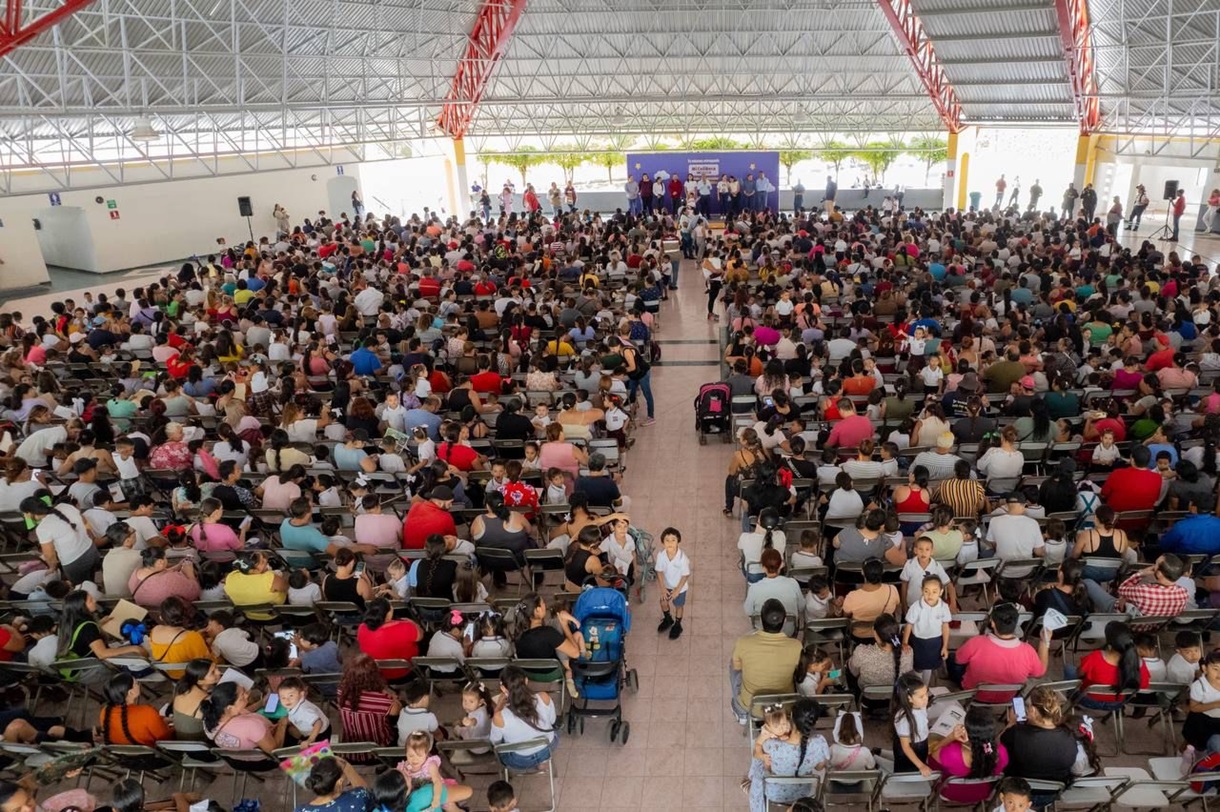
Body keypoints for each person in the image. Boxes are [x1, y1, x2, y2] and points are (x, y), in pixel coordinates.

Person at [952, 603, 1050, 701]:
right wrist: (1044, 641)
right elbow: (1040, 673)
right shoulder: (1028, 651)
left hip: (973, 694)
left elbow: (958, 660)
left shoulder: (976, 642)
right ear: (1016, 624)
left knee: (953, 659)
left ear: (993, 623)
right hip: (1007, 698)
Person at [730, 598, 802, 723]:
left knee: (732, 667)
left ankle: (741, 712)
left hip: (752, 705)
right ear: (785, 621)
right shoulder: (797, 646)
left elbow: (737, 668)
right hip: (783, 706)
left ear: (760, 621)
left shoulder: (743, 642)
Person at [930, 705, 1009, 804]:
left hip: (950, 793)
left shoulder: (953, 753)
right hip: (984, 793)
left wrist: (951, 737)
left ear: (966, 731)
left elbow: (932, 758)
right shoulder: (1001, 752)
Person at [489, 665, 558, 770]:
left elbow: (495, 742)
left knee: (501, 744)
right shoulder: (543, 697)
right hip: (548, 748)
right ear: (526, 681)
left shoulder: (499, 716)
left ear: (503, 688)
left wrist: (498, 707)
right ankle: (542, 762)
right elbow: (552, 720)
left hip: (520, 760)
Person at [337, 653, 400, 746]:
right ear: (374, 675)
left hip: (350, 749)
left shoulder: (341, 692)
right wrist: (391, 696)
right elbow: (397, 711)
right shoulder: (384, 701)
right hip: (379, 747)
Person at [356, 597, 422, 681]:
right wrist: (411, 622)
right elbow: (420, 636)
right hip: (407, 672)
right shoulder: (406, 626)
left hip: (378, 675)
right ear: (389, 614)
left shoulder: (362, 627)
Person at [655, 526, 690, 639]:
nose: (670, 543)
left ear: (678, 541)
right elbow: (659, 572)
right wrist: (663, 589)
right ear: (663, 542)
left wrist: (677, 591)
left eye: (673, 540)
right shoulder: (661, 555)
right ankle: (668, 619)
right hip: (667, 586)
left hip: (679, 587)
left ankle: (678, 624)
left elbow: (685, 575)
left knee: (678, 606)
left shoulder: (682, 558)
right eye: (667, 540)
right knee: (663, 603)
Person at [297, 757, 368, 812]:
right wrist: (347, 766)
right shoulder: (358, 800)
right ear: (339, 783)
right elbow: (365, 791)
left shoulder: (300, 810)